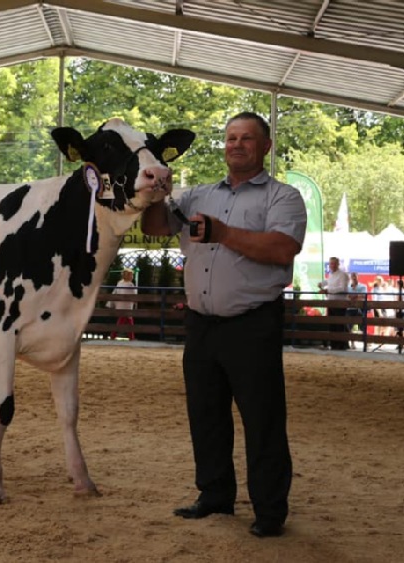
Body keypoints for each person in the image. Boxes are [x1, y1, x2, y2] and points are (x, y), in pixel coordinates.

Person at [141, 111, 307, 538]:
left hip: (253, 324)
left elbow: (282, 248)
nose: (237, 144)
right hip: (200, 323)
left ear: (265, 146)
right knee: (206, 414)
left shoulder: (282, 197)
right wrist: (156, 191)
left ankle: (270, 510)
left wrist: (222, 232)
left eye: (247, 138)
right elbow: (156, 227)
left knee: (262, 418)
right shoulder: (196, 195)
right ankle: (215, 494)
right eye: (231, 137)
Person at [318, 257, 350, 350]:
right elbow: (328, 282)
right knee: (332, 325)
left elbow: (342, 289)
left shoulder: (343, 275)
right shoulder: (331, 274)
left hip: (340, 303)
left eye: (334, 263)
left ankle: (341, 345)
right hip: (331, 302)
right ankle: (334, 344)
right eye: (331, 264)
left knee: (339, 325)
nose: (332, 265)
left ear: (338, 264)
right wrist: (321, 284)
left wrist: (327, 290)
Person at [108, 268, 137, 340]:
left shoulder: (119, 282)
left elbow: (115, 292)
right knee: (123, 321)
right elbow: (134, 294)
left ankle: (131, 337)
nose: (132, 276)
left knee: (128, 321)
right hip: (127, 305)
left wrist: (111, 303)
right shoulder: (130, 284)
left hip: (120, 304)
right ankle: (113, 335)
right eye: (131, 275)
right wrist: (136, 301)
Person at [345, 272, 367, 348]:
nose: (354, 277)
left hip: (359, 309)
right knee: (348, 327)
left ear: (358, 277)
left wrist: (353, 296)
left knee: (362, 327)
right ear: (351, 277)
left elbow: (363, 295)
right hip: (350, 309)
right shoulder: (348, 287)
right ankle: (352, 343)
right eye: (352, 276)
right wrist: (356, 296)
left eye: (355, 276)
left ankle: (365, 343)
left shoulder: (363, 286)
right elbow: (346, 296)